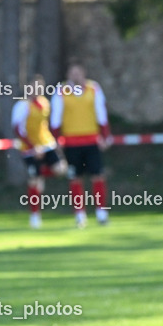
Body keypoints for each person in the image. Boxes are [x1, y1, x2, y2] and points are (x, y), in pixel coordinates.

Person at [50, 61, 112, 228]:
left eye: (78, 72)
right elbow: (56, 116)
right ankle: (80, 214)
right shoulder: (61, 91)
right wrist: (55, 139)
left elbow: (101, 113)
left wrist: (105, 135)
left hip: (91, 140)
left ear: (83, 73)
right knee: (75, 178)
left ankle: (101, 212)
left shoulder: (94, 88)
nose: (76, 76)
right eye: (72, 73)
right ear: (68, 75)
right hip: (71, 142)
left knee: (97, 175)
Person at [12, 75, 67, 228]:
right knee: (34, 182)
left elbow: (44, 126)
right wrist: (32, 147)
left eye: (40, 86)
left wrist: (53, 142)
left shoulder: (44, 103)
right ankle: (35, 216)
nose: (37, 90)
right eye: (34, 86)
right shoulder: (22, 106)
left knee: (61, 169)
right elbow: (18, 129)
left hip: (46, 145)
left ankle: (40, 172)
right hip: (29, 150)